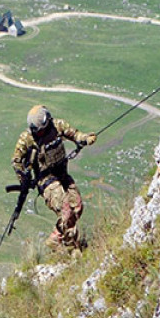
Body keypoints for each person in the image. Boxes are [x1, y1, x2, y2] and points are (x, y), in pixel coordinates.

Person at [11, 105, 96, 251]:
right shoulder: (26, 139)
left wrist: (85, 138)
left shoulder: (57, 126)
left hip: (61, 173)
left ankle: (56, 237)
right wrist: (23, 179)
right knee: (66, 209)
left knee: (77, 207)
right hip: (46, 180)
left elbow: (74, 134)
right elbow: (16, 160)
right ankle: (72, 248)